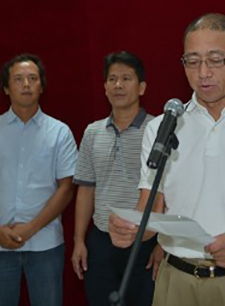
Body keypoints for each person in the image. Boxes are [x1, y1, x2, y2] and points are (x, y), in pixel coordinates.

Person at [108, 13, 225, 306]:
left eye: (215, 59)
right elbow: (151, 208)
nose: (203, 73)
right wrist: (132, 230)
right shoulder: (163, 126)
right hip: (176, 280)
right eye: (192, 61)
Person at [0, 54, 78, 306]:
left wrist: (31, 227)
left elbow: (66, 188)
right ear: (6, 87)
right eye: (18, 79)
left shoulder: (60, 132)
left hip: (45, 244)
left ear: (41, 86)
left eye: (32, 78)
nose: (26, 84)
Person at [71, 51, 157, 306]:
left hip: (145, 243)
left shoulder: (158, 130)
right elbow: (86, 189)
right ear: (105, 87)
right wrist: (79, 241)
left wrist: (164, 245)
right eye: (112, 79)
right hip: (101, 242)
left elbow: (169, 193)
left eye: (126, 79)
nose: (118, 85)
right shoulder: (93, 131)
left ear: (141, 87)